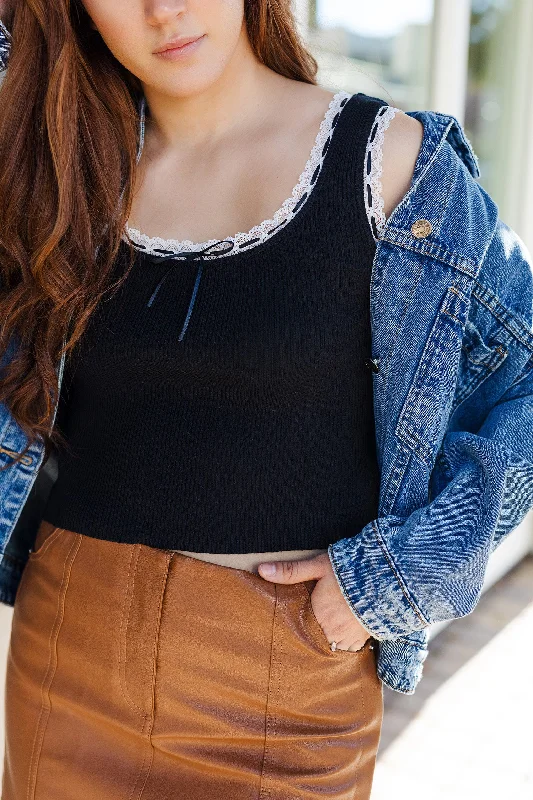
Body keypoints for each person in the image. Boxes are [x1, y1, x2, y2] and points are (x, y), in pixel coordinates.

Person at [1, 2, 532, 799]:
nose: (163, 10)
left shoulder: (390, 165)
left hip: (286, 688)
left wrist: (397, 578)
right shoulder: (56, 172)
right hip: (68, 652)